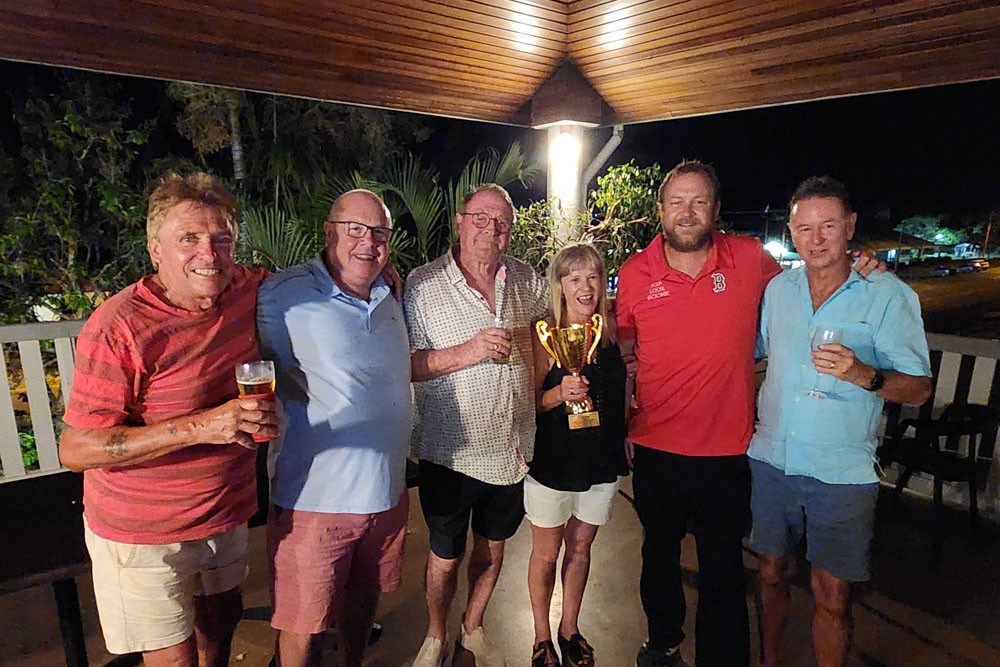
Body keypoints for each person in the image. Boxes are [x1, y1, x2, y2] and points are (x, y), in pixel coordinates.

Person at [615, 160, 882, 667]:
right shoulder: (634, 272)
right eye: (676, 202)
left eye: (699, 201)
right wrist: (624, 422)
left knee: (721, 564)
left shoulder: (749, 258)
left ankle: (722, 656)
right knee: (658, 555)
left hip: (728, 449)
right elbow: (628, 355)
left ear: (715, 209)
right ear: (661, 211)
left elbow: (812, 277)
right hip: (654, 444)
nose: (687, 212)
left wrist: (864, 263)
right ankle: (664, 639)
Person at [59, 173, 279, 667]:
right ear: (155, 248)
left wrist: (379, 276)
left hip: (224, 512)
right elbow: (74, 450)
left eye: (221, 238)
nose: (209, 253)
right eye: (189, 239)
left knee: (219, 638)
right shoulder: (118, 327)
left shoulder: (247, 289)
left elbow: (316, 279)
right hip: (142, 533)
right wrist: (202, 426)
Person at [749, 176, 931, 667]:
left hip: (842, 469)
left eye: (828, 225)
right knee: (769, 572)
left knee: (831, 592)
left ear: (849, 227)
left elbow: (919, 387)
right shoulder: (777, 291)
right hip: (772, 458)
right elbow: (751, 352)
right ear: (791, 232)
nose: (816, 238)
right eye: (805, 228)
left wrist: (864, 374)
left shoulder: (887, 295)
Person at [256, 190, 412, 667]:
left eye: (380, 232)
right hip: (315, 502)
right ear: (329, 232)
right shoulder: (283, 293)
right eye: (355, 229)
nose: (368, 242)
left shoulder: (391, 293)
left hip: (386, 493)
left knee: (363, 600)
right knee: (303, 625)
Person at [406, 184, 549, 667]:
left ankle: (473, 627)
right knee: (445, 556)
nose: (492, 230)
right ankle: (434, 633)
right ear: (460, 223)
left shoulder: (527, 280)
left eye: (502, 222)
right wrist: (468, 351)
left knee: (493, 547)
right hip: (451, 452)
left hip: (512, 447)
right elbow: (406, 364)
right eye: (481, 219)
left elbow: (551, 336)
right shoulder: (423, 284)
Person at [527, 243, 629, 667]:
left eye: (592, 277)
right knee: (547, 553)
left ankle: (570, 628)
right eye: (574, 278)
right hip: (554, 461)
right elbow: (529, 401)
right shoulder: (545, 333)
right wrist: (557, 392)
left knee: (582, 549)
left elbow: (621, 392)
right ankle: (540, 636)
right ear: (561, 286)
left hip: (600, 462)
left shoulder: (609, 331)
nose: (585, 287)